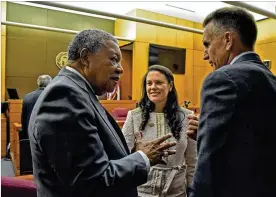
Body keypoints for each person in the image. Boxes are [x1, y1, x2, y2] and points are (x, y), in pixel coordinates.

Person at [28, 29, 177, 197]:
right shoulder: (64, 96)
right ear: (85, 58)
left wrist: (133, 154)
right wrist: (143, 157)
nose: (120, 69)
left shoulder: (80, 92)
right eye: (113, 59)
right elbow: (92, 181)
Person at [187, 7, 276, 197]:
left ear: (228, 40)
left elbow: (208, 166)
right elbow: (254, 145)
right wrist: (207, 133)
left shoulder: (222, 78)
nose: (205, 55)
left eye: (207, 44)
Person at [122, 65, 197, 197]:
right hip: (143, 191)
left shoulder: (187, 116)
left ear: (170, 86)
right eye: (149, 83)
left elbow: (192, 161)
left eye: (159, 82)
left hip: (176, 191)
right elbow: (123, 156)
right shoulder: (134, 116)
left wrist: (193, 190)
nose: (153, 87)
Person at [21, 75, 52, 139]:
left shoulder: (27, 97)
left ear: (38, 83)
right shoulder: (52, 97)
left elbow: (23, 119)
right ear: (50, 83)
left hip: (29, 135)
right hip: (46, 137)